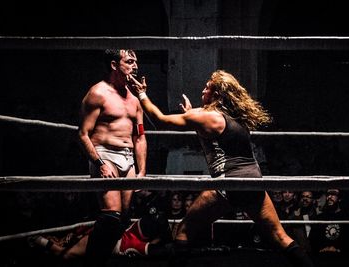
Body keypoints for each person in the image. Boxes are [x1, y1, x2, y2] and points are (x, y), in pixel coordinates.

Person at [130, 70, 314, 266]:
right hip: (253, 179)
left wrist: (141, 93)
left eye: (207, 87)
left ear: (216, 94)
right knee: (279, 236)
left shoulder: (208, 116)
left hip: (228, 181)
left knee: (184, 230)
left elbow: (160, 119)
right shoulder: (236, 118)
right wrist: (192, 116)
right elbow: (214, 137)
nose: (203, 89)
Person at [78, 49, 147, 266]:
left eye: (136, 62)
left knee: (124, 217)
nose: (135, 66)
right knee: (111, 217)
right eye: (129, 61)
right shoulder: (98, 93)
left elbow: (140, 138)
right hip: (105, 154)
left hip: (128, 159)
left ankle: (101, 257)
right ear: (114, 65)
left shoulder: (135, 101)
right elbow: (82, 134)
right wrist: (98, 163)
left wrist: (142, 171)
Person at [28, 212, 172, 260]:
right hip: (105, 238)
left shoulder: (139, 227)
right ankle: (35, 239)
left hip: (106, 233)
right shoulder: (137, 244)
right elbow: (162, 250)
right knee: (66, 254)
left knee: (65, 246)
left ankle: (36, 239)